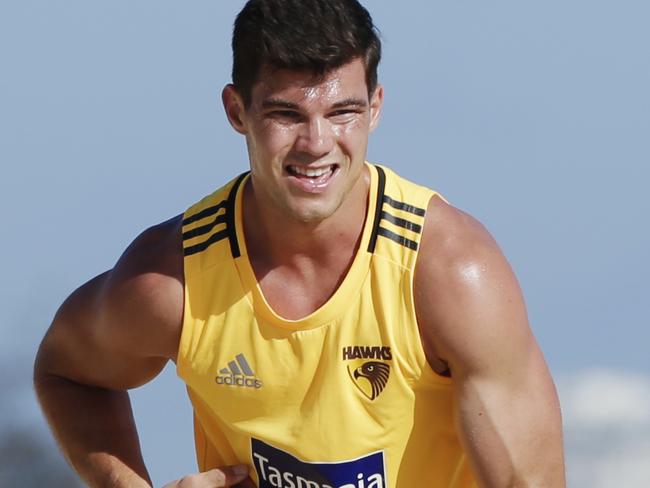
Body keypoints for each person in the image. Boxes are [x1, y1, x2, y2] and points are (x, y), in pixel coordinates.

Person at [34, 0, 566, 486]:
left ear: (375, 108)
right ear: (237, 111)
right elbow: (66, 373)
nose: (316, 144)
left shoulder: (450, 273)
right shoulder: (173, 280)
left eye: (343, 112)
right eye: (286, 114)